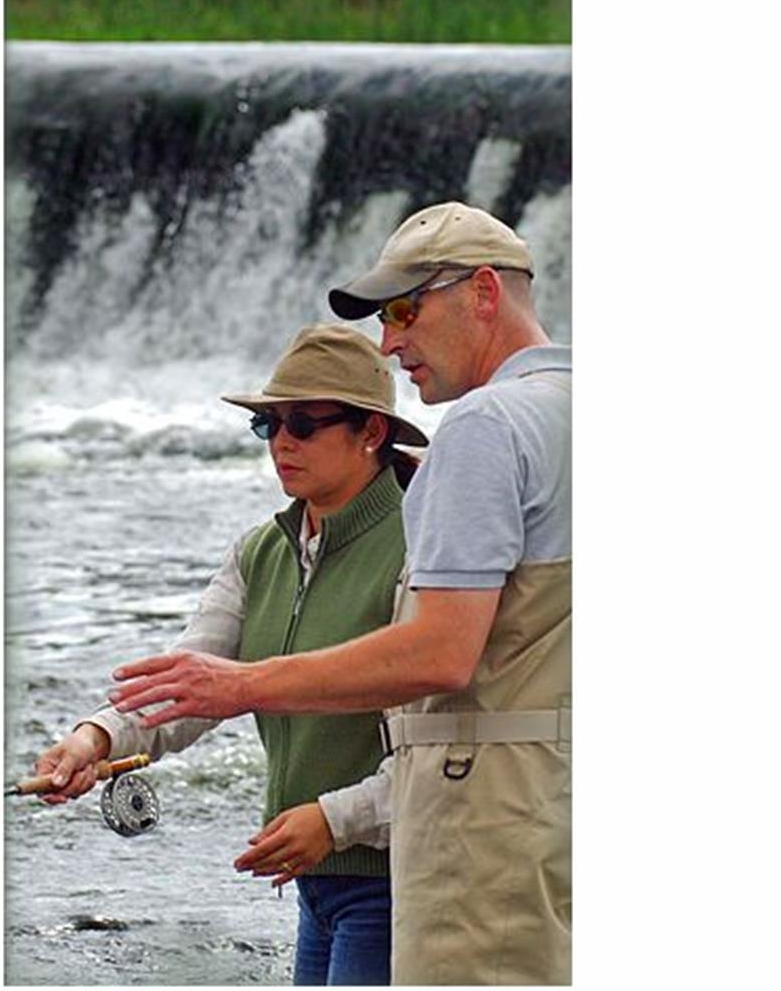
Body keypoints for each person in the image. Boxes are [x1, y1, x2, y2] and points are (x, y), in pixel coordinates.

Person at [107, 201, 572, 984]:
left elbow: (442, 651)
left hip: (481, 829)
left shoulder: (486, 426)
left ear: (484, 292)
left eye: (405, 310)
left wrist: (241, 686)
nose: (390, 345)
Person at [31, 323, 430, 986]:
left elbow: (448, 749)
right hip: (316, 888)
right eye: (268, 425)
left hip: (402, 886)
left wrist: (336, 820)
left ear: (372, 433)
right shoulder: (259, 552)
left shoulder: (426, 546)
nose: (281, 442)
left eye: (303, 423)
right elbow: (191, 681)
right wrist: (93, 739)